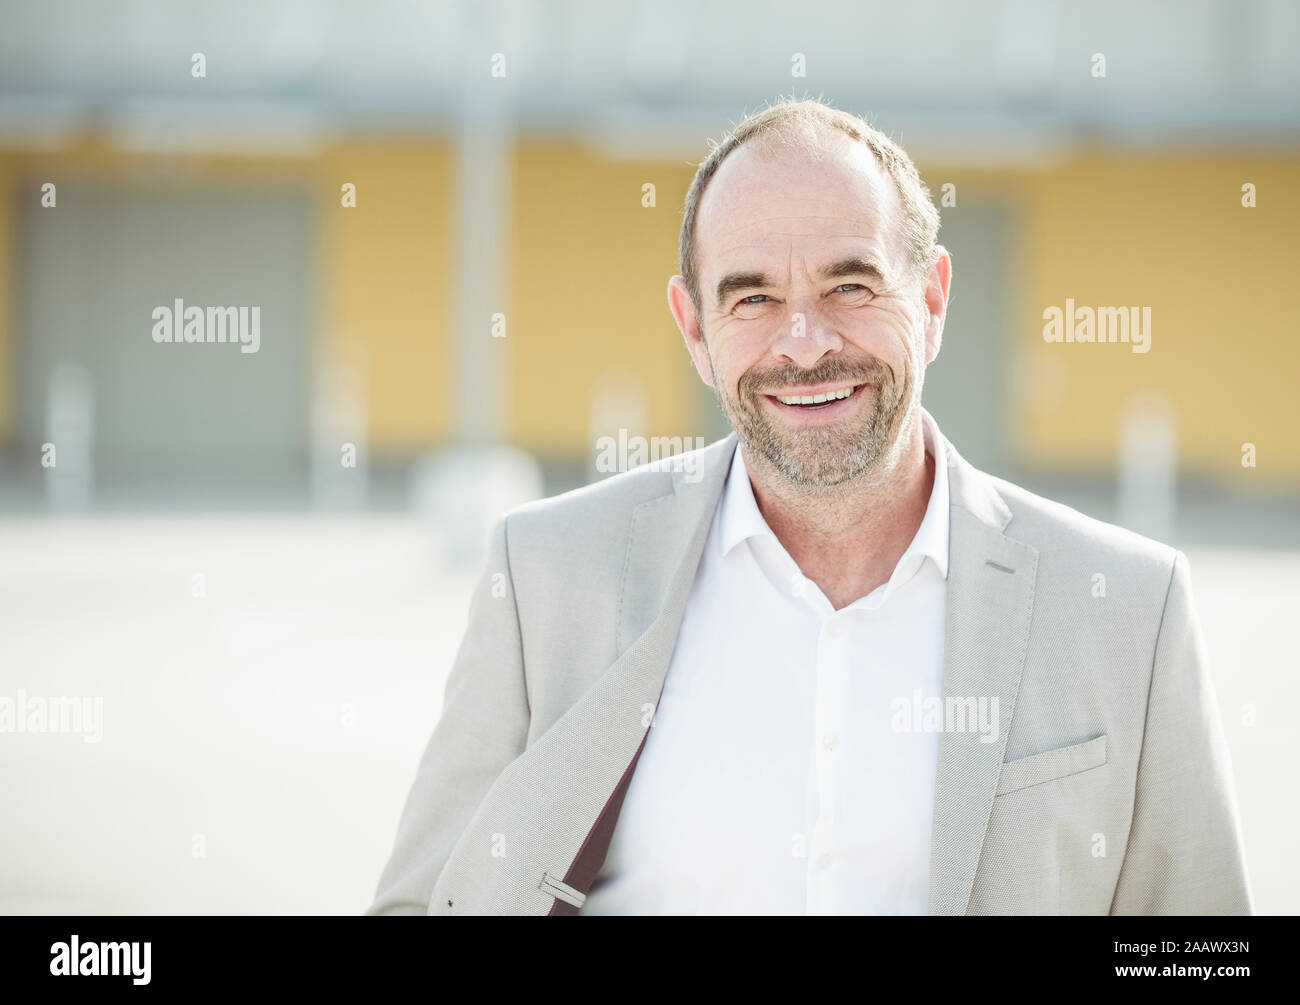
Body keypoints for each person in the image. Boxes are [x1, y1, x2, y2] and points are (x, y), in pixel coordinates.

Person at [367, 98, 1252, 916]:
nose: (805, 343)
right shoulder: (545, 576)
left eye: (851, 286)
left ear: (933, 300)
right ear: (694, 331)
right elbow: (427, 901)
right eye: (752, 297)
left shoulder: (1127, 609)